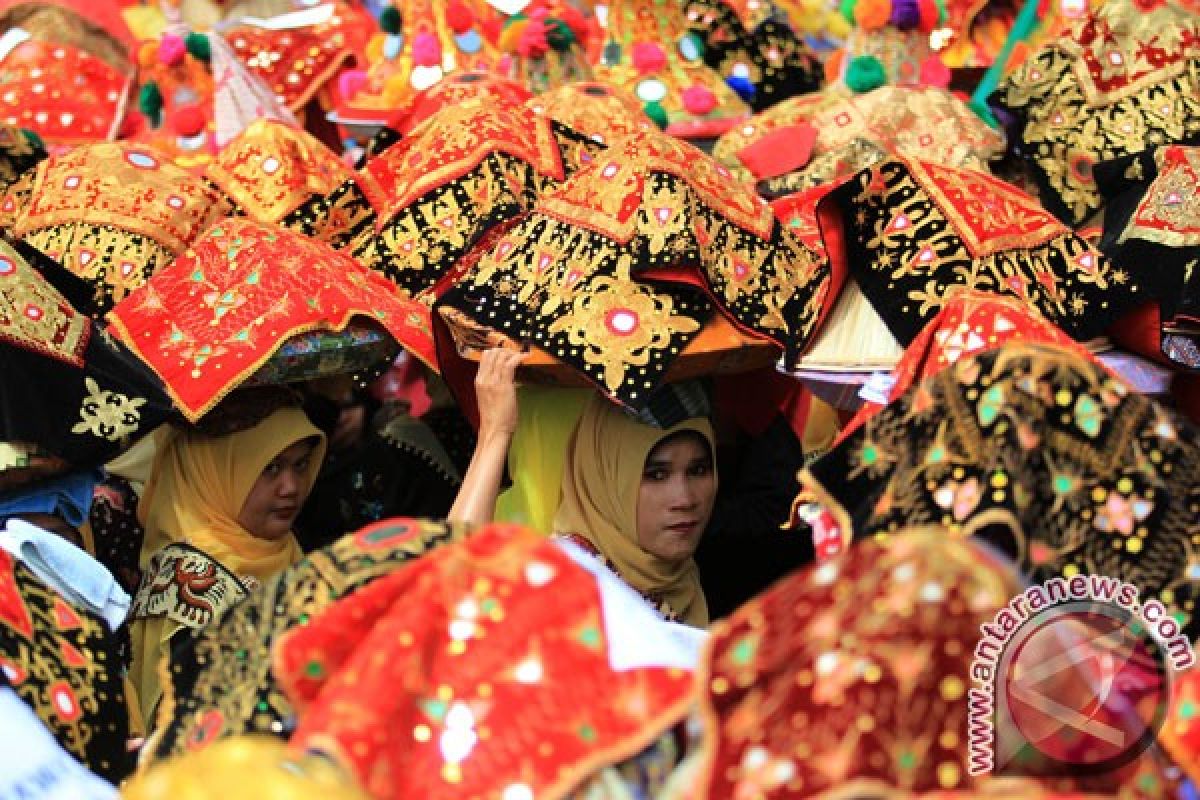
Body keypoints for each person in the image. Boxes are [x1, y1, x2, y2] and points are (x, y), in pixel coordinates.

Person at [450, 349, 717, 627]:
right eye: (656, 475)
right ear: (605, 478)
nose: (685, 498)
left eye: (698, 471)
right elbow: (454, 599)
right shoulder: (554, 581)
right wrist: (494, 432)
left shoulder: (680, 580)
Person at [129, 393, 326, 721]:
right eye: (270, 468)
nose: (291, 486)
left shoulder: (286, 550)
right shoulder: (190, 582)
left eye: (300, 464)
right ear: (213, 471)